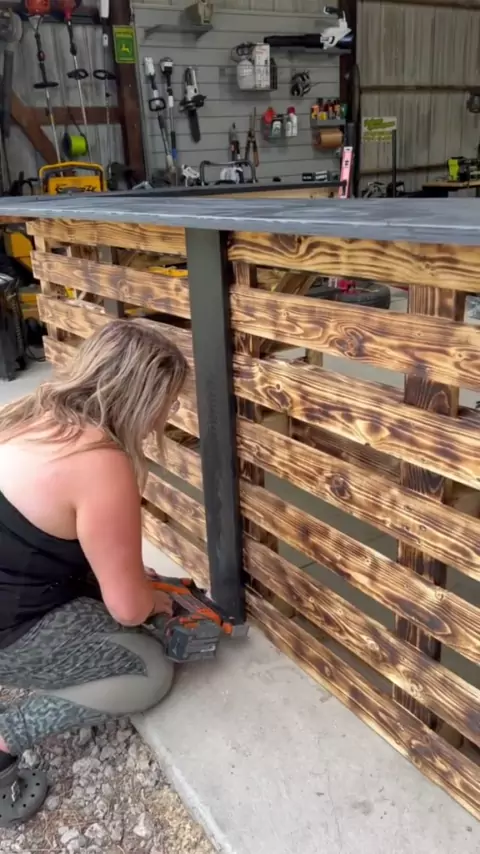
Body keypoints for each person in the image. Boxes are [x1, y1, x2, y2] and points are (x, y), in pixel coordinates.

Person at [0, 318, 187, 827]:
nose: (165, 416)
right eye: (169, 403)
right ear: (146, 398)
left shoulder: (28, 414)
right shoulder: (100, 461)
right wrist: (153, 599)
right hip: (10, 630)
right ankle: (6, 737)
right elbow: (127, 609)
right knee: (148, 672)